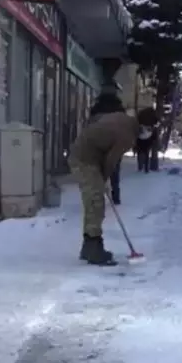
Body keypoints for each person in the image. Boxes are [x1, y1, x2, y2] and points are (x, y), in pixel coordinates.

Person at [68, 93, 139, 266]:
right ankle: (93, 248)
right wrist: (104, 179)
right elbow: (111, 161)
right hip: (85, 160)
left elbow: (96, 121)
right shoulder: (127, 135)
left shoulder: (123, 119)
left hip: (84, 155)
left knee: (95, 201)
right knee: (95, 203)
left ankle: (88, 247)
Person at [134, 107, 157, 173]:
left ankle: (140, 166)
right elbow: (156, 124)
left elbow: (136, 123)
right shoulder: (152, 117)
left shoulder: (140, 116)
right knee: (146, 152)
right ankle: (146, 168)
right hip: (149, 137)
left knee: (139, 152)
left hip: (140, 137)